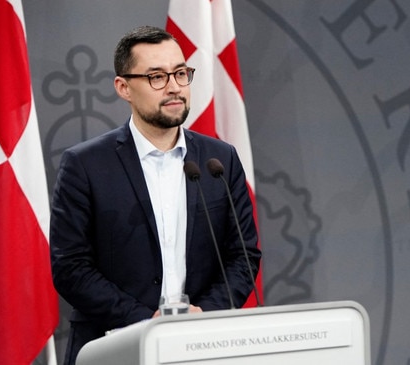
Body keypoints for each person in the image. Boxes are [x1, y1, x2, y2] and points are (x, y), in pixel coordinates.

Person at [50, 25, 261, 364]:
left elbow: (243, 256)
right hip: (113, 347)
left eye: (180, 73)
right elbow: (70, 267)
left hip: (202, 348)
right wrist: (146, 324)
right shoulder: (85, 165)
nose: (175, 87)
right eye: (157, 77)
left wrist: (204, 313)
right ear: (124, 87)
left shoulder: (219, 160)